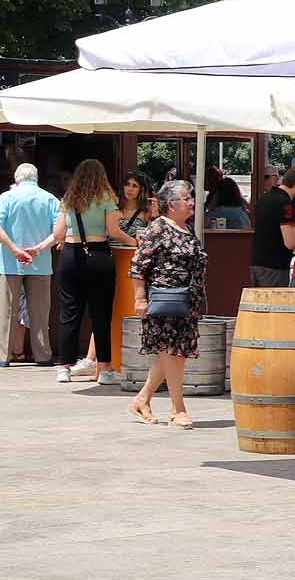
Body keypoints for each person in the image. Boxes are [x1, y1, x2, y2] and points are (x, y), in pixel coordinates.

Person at [126, 181, 208, 429]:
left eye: (191, 197)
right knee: (172, 354)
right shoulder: (158, 228)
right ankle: (178, 410)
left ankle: (142, 399)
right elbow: (138, 266)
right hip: (165, 300)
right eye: (187, 198)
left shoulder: (185, 228)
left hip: (186, 302)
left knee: (173, 355)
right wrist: (139, 299)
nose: (192, 202)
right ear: (171, 205)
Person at [49, 158, 136, 384]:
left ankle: (64, 367)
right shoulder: (106, 198)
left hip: (70, 254)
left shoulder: (68, 199)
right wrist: (134, 241)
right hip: (98, 256)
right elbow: (113, 231)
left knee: (69, 313)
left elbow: (58, 234)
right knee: (101, 314)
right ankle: (105, 368)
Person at [0, 164, 60, 367]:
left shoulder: (6, 198)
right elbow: (59, 232)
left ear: (16, 178)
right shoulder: (50, 198)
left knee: (7, 311)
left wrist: (14, 250)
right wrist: (40, 248)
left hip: (9, 262)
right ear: (36, 178)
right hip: (40, 262)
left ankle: (3, 356)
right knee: (41, 311)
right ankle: (43, 355)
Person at [250, 166, 295, 287]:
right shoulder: (285, 204)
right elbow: (291, 242)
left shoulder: (265, 198)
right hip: (274, 267)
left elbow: (272, 230)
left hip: (257, 263)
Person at [116, 170, 157, 239]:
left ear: (141, 190)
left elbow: (153, 237)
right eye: (127, 184)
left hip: (135, 249)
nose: (130, 189)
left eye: (134, 186)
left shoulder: (146, 212)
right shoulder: (113, 207)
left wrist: (154, 215)